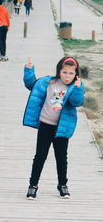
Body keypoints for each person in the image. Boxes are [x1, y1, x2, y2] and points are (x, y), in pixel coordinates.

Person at [23, 57, 85, 199]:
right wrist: (29, 70)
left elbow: (77, 102)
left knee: (61, 157)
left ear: (76, 74)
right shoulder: (48, 82)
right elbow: (31, 85)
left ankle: (62, 184)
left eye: (71, 73)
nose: (67, 76)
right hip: (45, 125)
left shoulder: (75, 86)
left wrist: (78, 88)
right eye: (64, 72)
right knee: (40, 156)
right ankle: (33, 185)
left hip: (62, 128)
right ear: (59, 71)